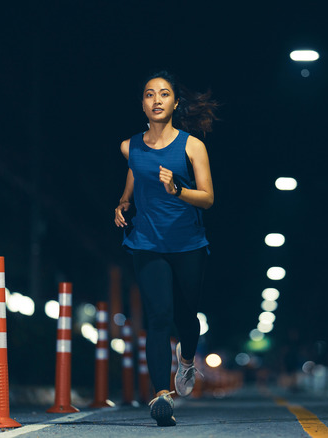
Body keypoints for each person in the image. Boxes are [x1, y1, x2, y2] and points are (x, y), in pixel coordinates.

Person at [114, 70, 218, 427]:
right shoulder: (131, 146)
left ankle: (185, 358)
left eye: (163, 94)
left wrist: (177, 190)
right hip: (147, 242)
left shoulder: (192, 146)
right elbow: (135, 173)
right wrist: (124, 202)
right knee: (158, 316)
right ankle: (161, 395)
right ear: (142, 104)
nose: (156, 100)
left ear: (175, 103)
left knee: (186, 318)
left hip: (188, 243)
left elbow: (207, 198)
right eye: (148, 94)